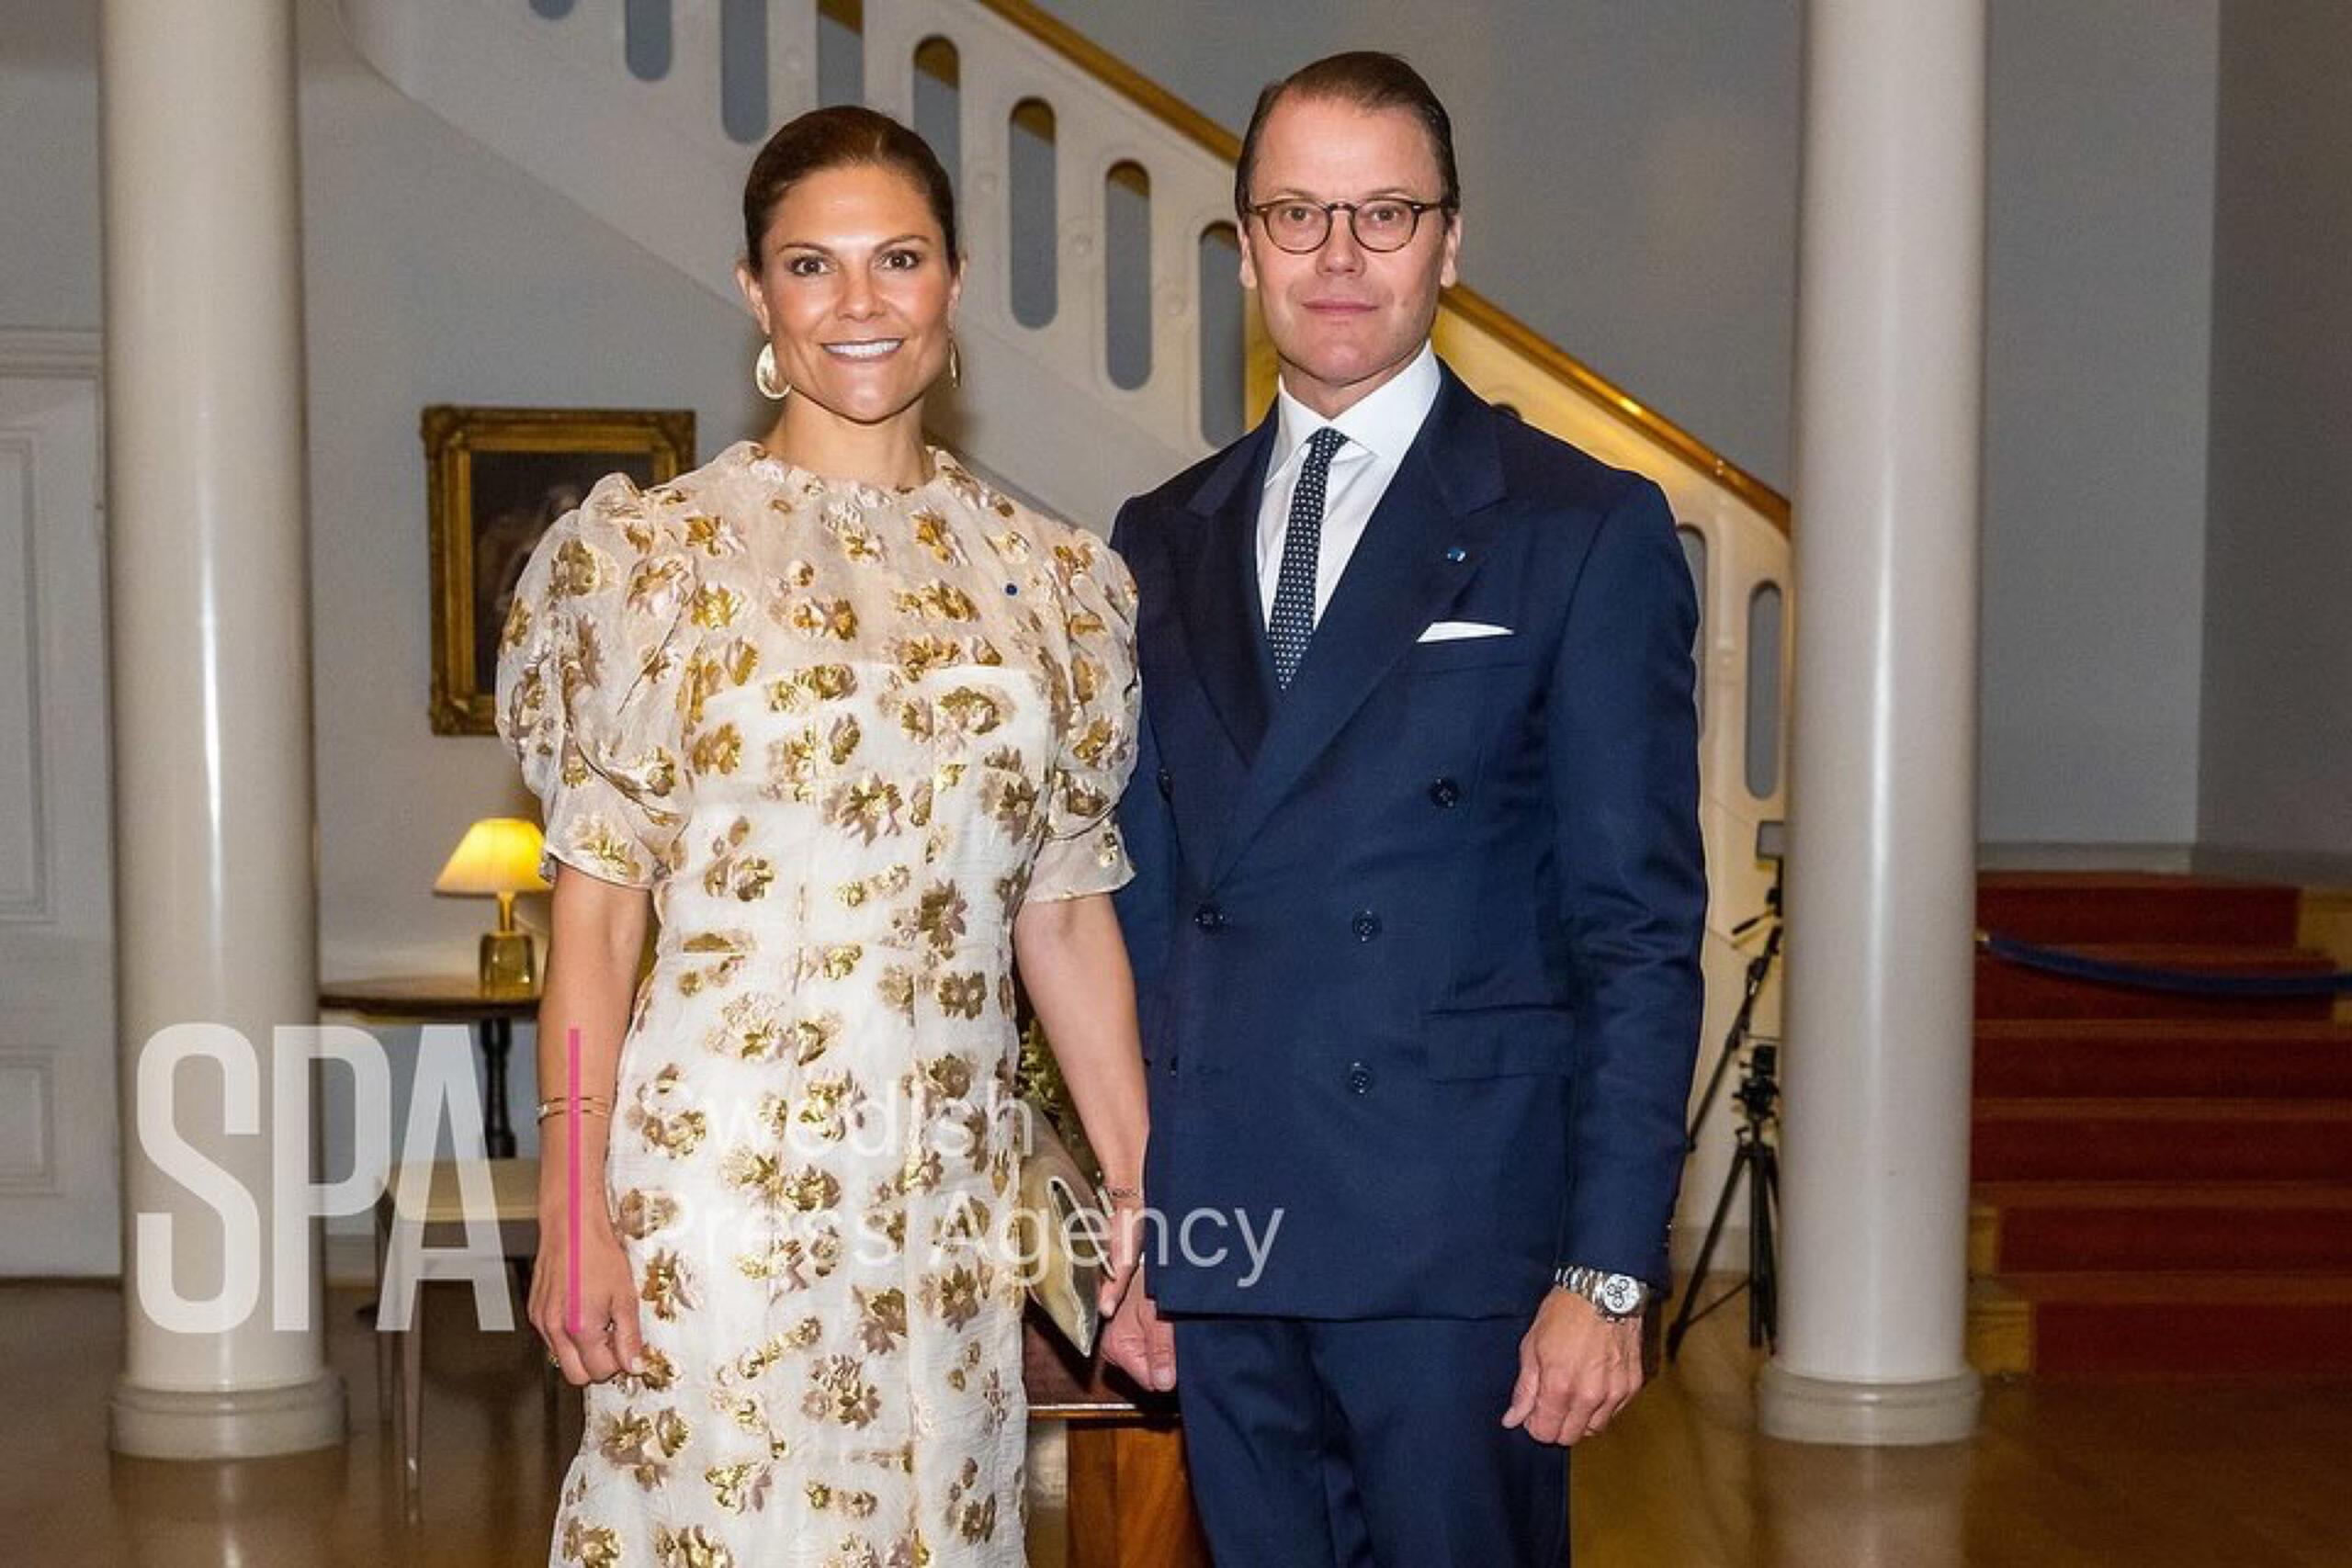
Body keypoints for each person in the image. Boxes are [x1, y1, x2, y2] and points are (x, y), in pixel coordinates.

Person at [495, 105, 1155, 1567]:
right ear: (756, 292)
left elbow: (1061, 912)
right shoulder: (653, 565)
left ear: (953, 281)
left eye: (897, 259)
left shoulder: (1050, 586)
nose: (859, 302)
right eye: (812, 265)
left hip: (955, 1198)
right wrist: (574, 1200)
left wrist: (1134, 1198)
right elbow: (597, 915)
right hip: (719, 1196)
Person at [1109, 52, 1708, 1566]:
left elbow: (1637, 934)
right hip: (1227, 1240)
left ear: (1451, 243)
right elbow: (1142, 914)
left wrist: (1609, 1271)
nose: (1338, 254)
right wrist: (1139, 1235)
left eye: (1385, 213)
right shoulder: (1158, 538)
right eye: (1297, 213)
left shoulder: (1580, 527)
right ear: (1243, 247)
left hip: (1460, 1249)